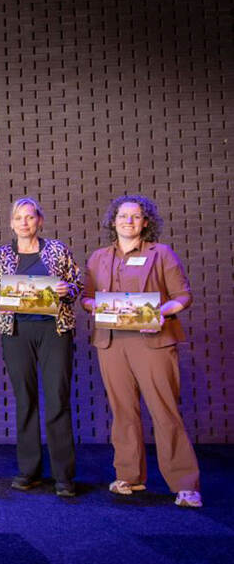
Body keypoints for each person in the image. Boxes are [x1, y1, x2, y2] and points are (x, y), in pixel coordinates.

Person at [81, 195, 202, 508]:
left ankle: (185, 484)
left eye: (135, 217)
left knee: (165, 412)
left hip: (152, 342)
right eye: (123, 216)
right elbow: (87, 298)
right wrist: (93, 306)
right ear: (114, 220)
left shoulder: (160, 254)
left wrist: (161, 313)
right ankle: (129, 476)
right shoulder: (98, 258)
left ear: (145, 222)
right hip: (111, 343)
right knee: (123, 413)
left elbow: (183, 296)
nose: (128, 221)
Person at [0, 197, 81, 497]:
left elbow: (77, 284)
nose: (25, 222)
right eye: (19, 218)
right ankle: (29, 471)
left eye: (30, 217)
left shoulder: (57, 250)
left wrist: (67, 289)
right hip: (16, 332)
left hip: (55, 330)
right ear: (12, 223)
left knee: (57, 400)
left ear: (40, 220)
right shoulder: (1, 255)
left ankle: (64, 475)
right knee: (25, 399)